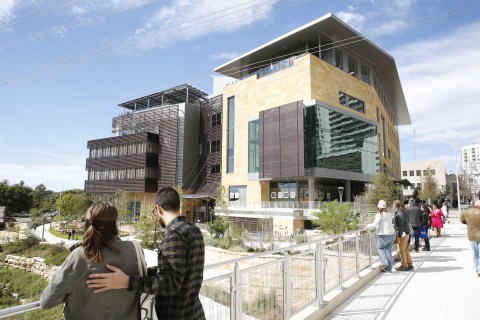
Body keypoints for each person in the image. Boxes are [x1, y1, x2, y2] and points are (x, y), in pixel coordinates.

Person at [87, 187, 206, 320]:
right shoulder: (194, 230)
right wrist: (143, 271)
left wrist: (126, 282)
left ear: (158, 209)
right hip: (195, 313)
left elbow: (171, 283)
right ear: (178, 206)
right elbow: (179, 270)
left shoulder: (174, 233)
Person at [40, 201, 139, 319]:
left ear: (87, 224)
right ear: (115, 223)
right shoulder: (135, 250)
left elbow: (46, 301)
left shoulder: (79, 256)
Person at [367, 200, 396, 273]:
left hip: (384, 235)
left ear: (379, 207)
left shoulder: (380, 214)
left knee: (379, 247)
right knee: (388, 250)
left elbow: (374, 225)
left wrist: (367, 225)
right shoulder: (389, 214)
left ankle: (385, 262)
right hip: (392, 234)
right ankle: (389, 269)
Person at [460, 200, 480, 277]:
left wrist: (469, 224)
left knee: (475, 253)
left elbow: (462, 220)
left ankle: (478, 270)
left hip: (472, 235)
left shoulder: (466, 212)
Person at [394, 201, 413, 271]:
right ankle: (410, 264)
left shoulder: (399, 214)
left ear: (396, 206)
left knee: (402, 250)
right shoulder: (405, 212)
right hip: (407, 233)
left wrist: (399, 235)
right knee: (405, 249)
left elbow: (400, 226)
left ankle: (404, 265)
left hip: (402, 234)